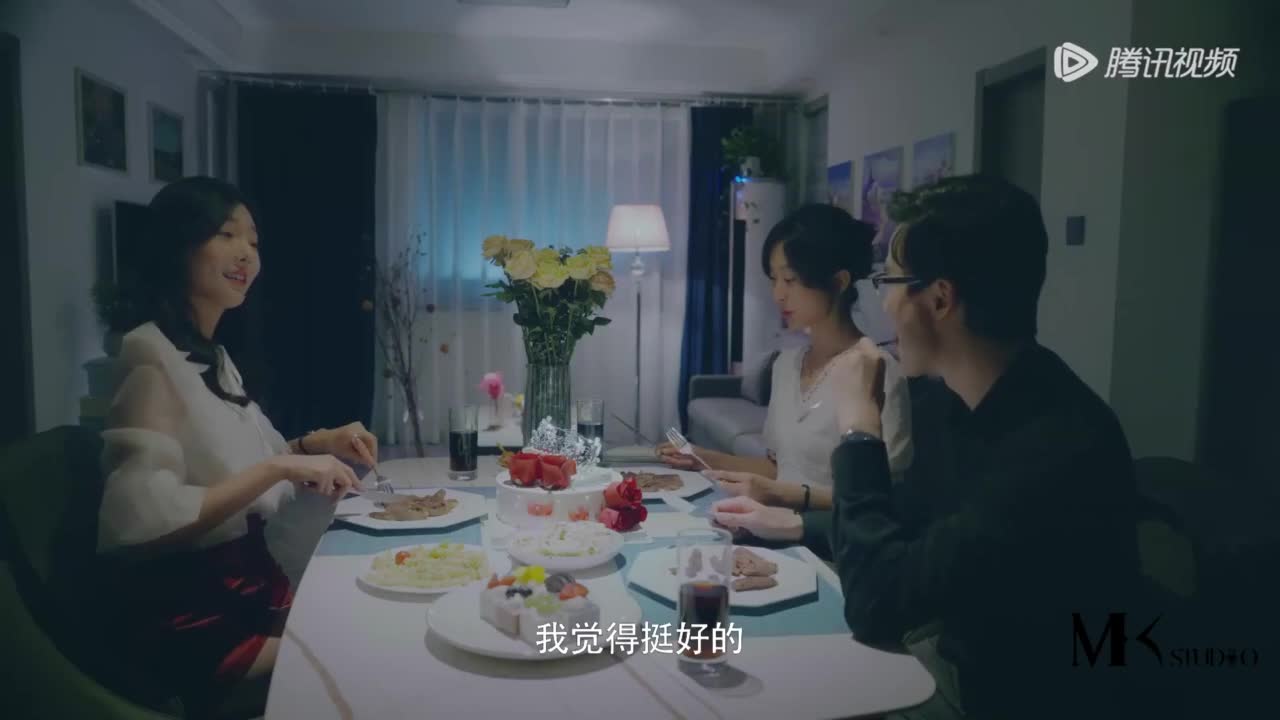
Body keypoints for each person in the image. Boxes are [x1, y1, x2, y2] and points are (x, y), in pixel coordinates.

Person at [711, 175, 1140, 719]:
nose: (885, 305)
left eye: (890, 281)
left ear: (939, 299)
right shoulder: (961, 403)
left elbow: (878, 606)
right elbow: (907, 523)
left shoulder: (1054, 449)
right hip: (957, 661)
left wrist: (859, 425)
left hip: (1000, 697)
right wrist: (795, 524)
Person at [95, 177, 379, 716]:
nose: (246, 253)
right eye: (226, 234)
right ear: (178, 245)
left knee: (375, 610)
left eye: (253, 240)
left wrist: (316, 442)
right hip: (195, 619)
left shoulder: (212, 356)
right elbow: (139, 523)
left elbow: (246, 464)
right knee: (370, 652)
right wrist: (280, 466)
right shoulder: (148, 357)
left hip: (251, 590)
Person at [658, 204, 912, 516]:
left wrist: (787, 496)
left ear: (839, 282)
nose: (778, 294)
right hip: (770, 522)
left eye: (789, 279)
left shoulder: (876, 370)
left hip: (831, 536)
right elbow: (778, 469)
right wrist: (701, 457)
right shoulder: (787, 365)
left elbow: (880, 499)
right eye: (773, 279)